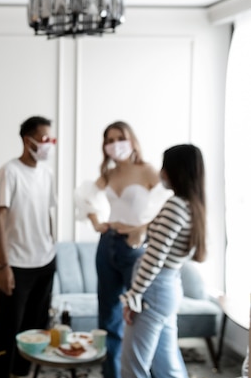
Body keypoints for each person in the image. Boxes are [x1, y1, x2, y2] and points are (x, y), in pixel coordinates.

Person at [74, 121, 170, 378]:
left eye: (120, 138)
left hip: (136, 250)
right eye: (109, 139)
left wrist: (144, 229)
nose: (115, 144)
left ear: (132, 140)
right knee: (107, 319)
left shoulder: (148, 171)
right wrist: (95, 220)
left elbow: (169, 206)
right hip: (107, 245)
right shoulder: (108, 174)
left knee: (138, 318)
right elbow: (84, 197)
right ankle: (111, 374)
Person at [120, 144, 207, 378]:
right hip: (168, 288)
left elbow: (154, 258)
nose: (161, 172)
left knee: (133, 366)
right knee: (167, 365)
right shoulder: (194, 206)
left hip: (154, 291)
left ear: (176, 171)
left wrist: (134, 296)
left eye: (165, 166)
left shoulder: (174, 206)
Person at [0, 116, 57, 378]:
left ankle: (23, 373)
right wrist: (3, 265)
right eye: (44, 139)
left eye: (52, 139)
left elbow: (48, 213)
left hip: (46, 261)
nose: (48, 144)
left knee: (36, 328)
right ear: (27, 140)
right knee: (9, 329)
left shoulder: (47, 174)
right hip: (17, 265)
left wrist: (52, 243)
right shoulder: (9, 172)